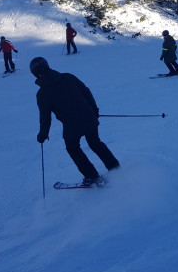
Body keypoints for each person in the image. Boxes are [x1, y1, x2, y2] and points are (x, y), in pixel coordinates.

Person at [30, 57, 120, 187]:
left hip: (72, 125)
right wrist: (94, 111)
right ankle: (115, 168)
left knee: (73, 149)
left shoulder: (42, 93)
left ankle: (92, 176)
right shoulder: (68, 77)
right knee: (95, 143)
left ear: (35, 73)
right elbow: (86, 92)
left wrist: (43, 135)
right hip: (89, 118)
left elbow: (45, 117)